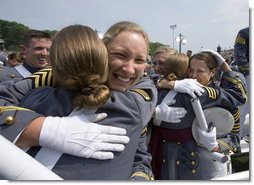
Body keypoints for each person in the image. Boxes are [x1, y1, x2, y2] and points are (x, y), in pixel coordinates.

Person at [0, 21, 157, 180]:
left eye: (139, 60)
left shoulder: (136, 100)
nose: (129, 69)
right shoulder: (50, 79)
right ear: (100, 51)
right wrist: (43, 130)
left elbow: (140, 157)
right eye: (120, 55)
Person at [148, 50, 247, 180]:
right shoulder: (178, 89)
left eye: (200, 71)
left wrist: (217, 145)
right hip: (169, 161)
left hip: (207, 165)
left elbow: (234, 140)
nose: (194, 75)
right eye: (190, 70)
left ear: (213, 72)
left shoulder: (213, 95)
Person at [234, 27, 249, 139]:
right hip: (249, 72)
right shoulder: (245, 33)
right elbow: (239, 54)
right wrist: (246, 68)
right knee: (243, 105)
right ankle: (236, 137)